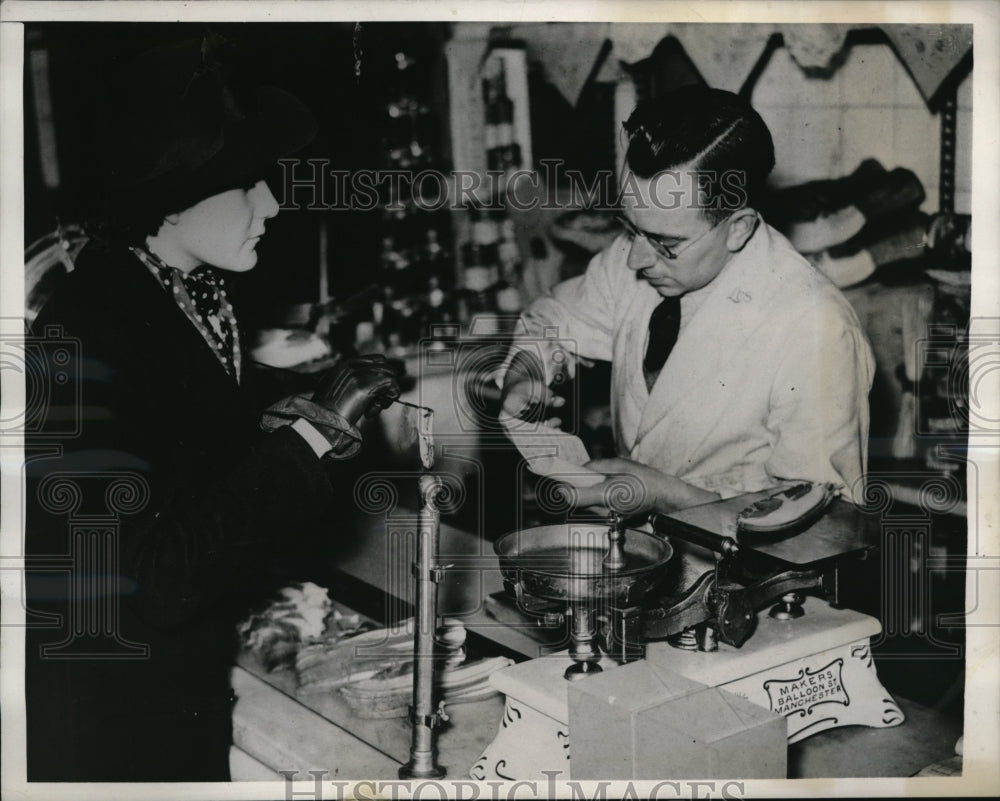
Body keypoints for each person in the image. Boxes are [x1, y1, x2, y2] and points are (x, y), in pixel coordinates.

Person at [24, 38, 399, 782]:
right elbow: (155, 577)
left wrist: (269, 414)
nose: (273, 201)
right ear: (166, 198)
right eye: (247, 183)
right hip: (118, 720)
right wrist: (301, 445)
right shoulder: (87, 330)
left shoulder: (176, 286)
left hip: (179, 682)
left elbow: (181, 430)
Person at [500, 86, 875, 518]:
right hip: (643, 560)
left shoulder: (813, 327)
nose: (637, 258)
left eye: (666, 242)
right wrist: (526, 374)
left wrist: (668, 497)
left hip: (743, 581)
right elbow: (552, 320)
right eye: (630, 226)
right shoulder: (636, 256)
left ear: (737, 227)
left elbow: (822, 527)